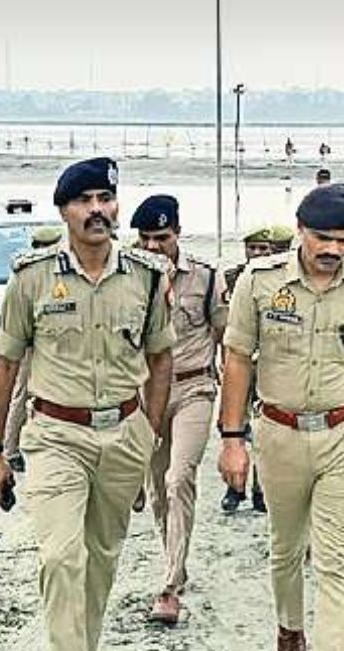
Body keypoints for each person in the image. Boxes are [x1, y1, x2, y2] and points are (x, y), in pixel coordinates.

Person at [0, 157, 175, 651]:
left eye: (104, 200)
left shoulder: (147, 277)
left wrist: (149, 434)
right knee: (60, 558)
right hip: (56, 435)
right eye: (84, 201)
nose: (97, 210)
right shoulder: (31, 278)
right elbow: (4, 367)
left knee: (99, 562)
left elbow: (161, 358)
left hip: (125, 434)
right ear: (64, 211)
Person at [219, 183, 344, 651]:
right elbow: (237, 360)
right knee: (286, 548)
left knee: (337, 558)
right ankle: (289, 631)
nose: (333, 250)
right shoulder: (258, 282)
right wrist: (232, 440)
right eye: (322, 238)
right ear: (300, 231)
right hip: (279, 434)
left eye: (343, 239)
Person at [131, 194, 227, 625]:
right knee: (155, 490)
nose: (154, 247)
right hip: (147, 394)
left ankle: (168, 586)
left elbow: (227, 338)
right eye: (146, 238)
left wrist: (235, 419)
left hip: (194, 389)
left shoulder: (206, 278)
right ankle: (177, 559)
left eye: (162, 238)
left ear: (178, 235)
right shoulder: (129, 278)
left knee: (178, 479)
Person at [218, 226, 277, 514]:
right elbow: (220, 327)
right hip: (238, 364)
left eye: (264, 249)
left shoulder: (274, 281)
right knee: (234, 425)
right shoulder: (230, 278)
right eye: (253, 248)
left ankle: (260, 489)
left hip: (266, 365)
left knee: (263, 428)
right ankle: (234, 488)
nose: (258, 254)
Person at [3, 225, 65, 473]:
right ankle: (10, 449)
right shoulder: (28, 274)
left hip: (55, 344)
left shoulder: (57, 272)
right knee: (22, 395)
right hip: (32, 344)